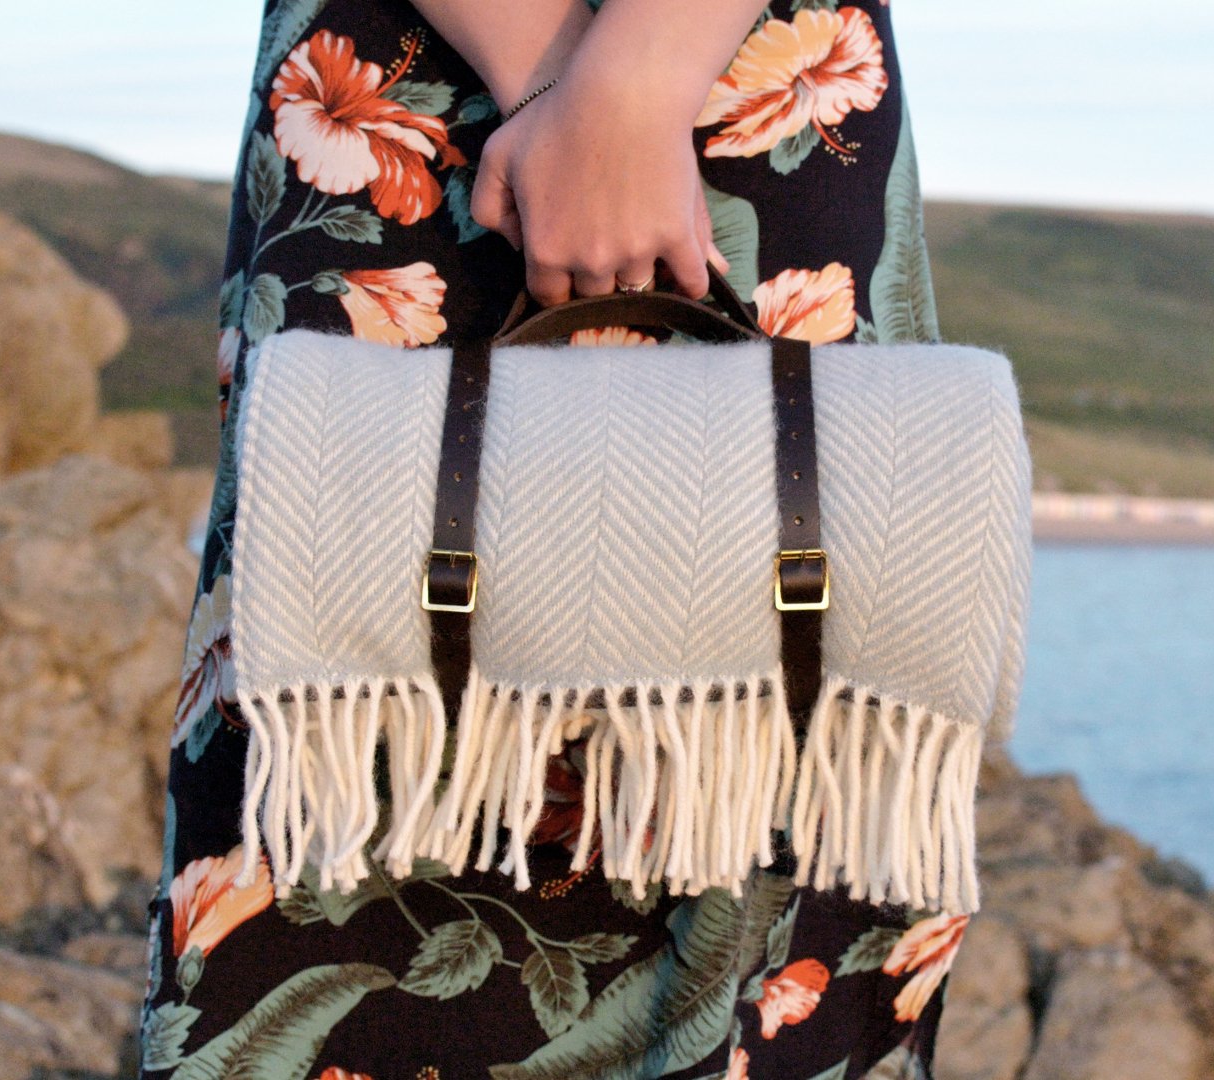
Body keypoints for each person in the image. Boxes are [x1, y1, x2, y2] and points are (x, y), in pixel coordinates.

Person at [137, 1, 964, 1077]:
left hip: (708, 98)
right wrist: (608, 91)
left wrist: (615, 88)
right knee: (335, 762)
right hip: (468, 107)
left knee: (789, 782)